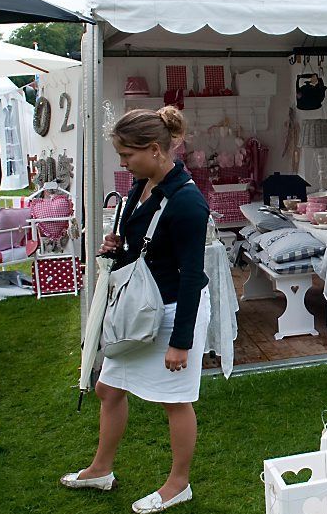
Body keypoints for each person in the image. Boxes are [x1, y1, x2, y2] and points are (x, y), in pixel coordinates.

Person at [61, 107, 211, 513]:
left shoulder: (188, 203)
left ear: (155, 150)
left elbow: (191, 275)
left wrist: (180, 341)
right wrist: (118, 250)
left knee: (175, 400)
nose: (122, 162)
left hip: (174, 310)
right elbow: (144, 252)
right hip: (137, 308)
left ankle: (179, 484)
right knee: (107, 388)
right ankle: (101, 469)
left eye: (127, 154)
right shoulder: (138, 186)